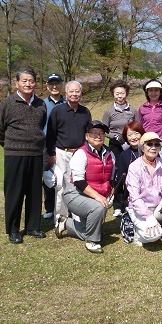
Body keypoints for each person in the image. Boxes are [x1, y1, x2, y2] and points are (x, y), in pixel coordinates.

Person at [0, 69, 47, 244]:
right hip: (14, 155)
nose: (28, 84)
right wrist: (11, 145)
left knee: (34, 193)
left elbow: (41, 126)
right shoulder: (7, 103)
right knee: (14, 193)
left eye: (31, 81)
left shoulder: (40, 104)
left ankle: (33, 226)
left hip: (36, 154)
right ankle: (13, 229)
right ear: (17, 83)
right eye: (24, 81)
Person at [55, 121, 116, 253]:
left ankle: (66, 223)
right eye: (94, 133)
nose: (98, 136)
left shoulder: (110, 154)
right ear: (86, 136)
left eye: (101, 133)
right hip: (76, 194)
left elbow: (111, 179)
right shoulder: (80, 153)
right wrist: (99, 197)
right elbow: (79, 182)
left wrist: (111, 193)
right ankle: (92, 241)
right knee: (98, 207)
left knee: (86, 230)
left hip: (93, 196)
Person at [46, 80, 92, 224]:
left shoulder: (85, 112)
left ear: (81, 93)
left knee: (80, 184)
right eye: (71, 91)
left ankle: (78, 217)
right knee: (62, 185)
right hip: (62, 153)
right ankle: (61, 219)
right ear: (66, 93)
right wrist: (51, 154)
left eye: (77, 91)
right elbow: (51, 134)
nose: (74, 94)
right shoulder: (57, 111)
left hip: (80, 154)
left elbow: (89, 134)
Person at [125, 132, 162, 248]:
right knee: (153, 236)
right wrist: (148, 217)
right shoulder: (134, 167)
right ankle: (138, 232)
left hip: (157, 207)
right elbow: (134, 197)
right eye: (149, 144)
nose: (153, 147)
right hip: (139, 210)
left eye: (156, 144)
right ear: (142, 147)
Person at [41, 73, 65, 219]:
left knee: (65, 176)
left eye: (57, 83)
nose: (54, 86)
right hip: (45, 145)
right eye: (51, 84)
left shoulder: (67, 103)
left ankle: (64, 206)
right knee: (48, 176)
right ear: (47, 85)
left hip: (63, 144)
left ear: (62, 85)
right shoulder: (42, 104)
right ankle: (50, 207)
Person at [112, 121, 146, 217]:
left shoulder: (150, 151)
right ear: (126, 138)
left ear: (142, 134)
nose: (133, 137)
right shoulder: (124, 155)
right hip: (132, 195)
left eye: (136, 133)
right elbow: (120, 180)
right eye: (130, 135)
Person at [138, 79, 162, 165]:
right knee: (146, 168)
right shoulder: (142, 108)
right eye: (151, 90)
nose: (153, 93)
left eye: (156, 90)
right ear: (147, 92)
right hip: (147, 143)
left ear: (160, 92)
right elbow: (140, 127)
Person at [102, 80, 139, 155]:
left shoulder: (133, 110)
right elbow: (103, 130)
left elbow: (138, 128)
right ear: (113, 95)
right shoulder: (108, 111)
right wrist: (114, 136)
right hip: (115, 145)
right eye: (117, 94)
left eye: (122, 93)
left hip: (131, 144)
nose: (120, 96)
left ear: (126, 94)